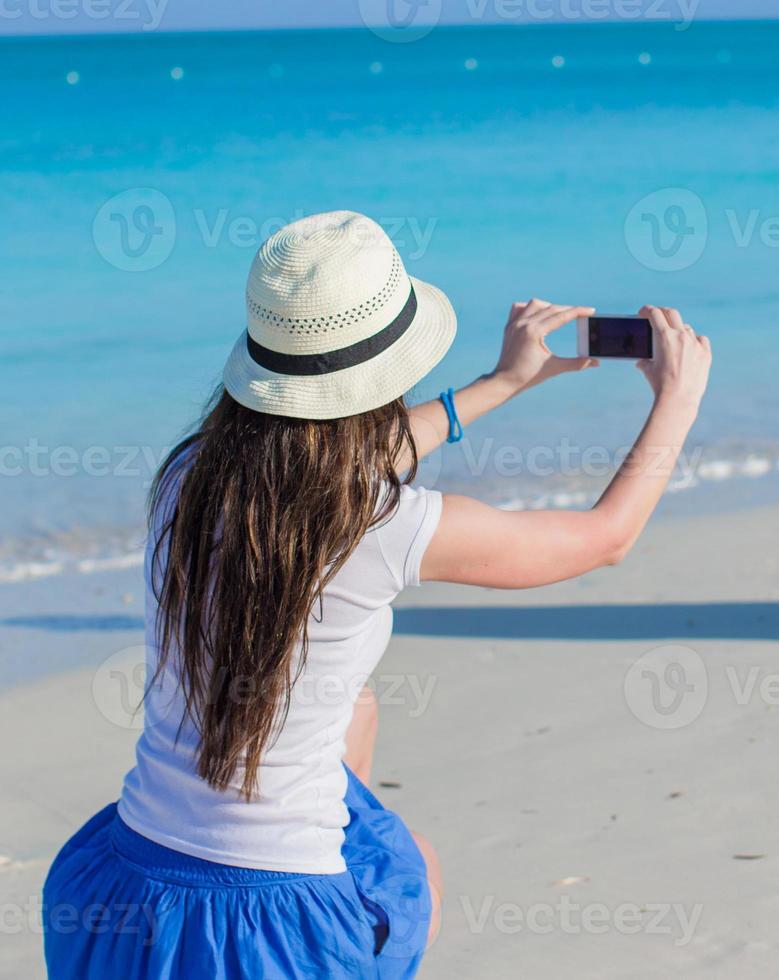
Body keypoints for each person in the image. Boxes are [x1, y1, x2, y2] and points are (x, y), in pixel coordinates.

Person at [41, 211, 712, 977]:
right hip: (275, 924)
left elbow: (324, 464)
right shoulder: (388, 526)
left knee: (356, 709)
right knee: (413, 864)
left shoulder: (189, 475)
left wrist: (500, 386)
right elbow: (607, 538)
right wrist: (678, 401)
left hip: (118, 889)